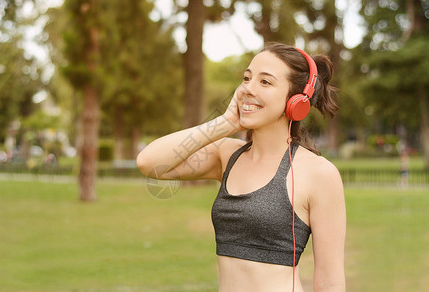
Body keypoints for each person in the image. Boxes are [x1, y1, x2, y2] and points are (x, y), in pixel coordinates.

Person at [137, 42, 346, 292]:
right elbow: (150, 163)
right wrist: (225, 123)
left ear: (296, 101)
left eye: (265, 82)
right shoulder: (226, 155)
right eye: (247, 78)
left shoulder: (318, 174)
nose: (248, 88)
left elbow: (330, 281)